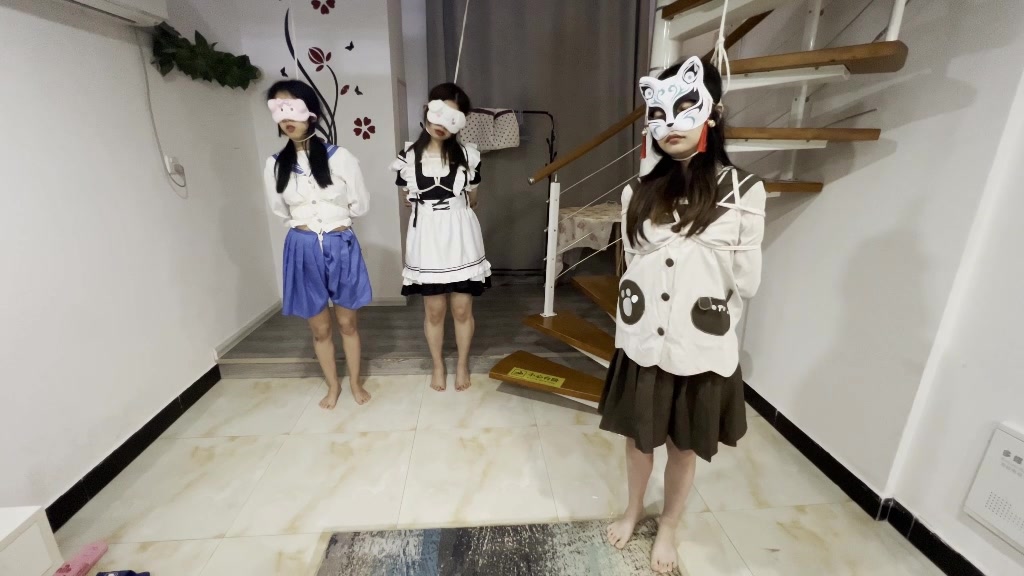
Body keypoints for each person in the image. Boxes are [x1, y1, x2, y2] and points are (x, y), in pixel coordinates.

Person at [599, 57, 767, 573]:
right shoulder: (637, 191)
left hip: (699, 347)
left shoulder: (744, 192)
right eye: (658, 112)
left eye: (685, 107)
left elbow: (748, 283)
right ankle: (633, 508)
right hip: (644, 345)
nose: (670, 123)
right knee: (638, 441)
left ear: (713, 112)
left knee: (683, 447)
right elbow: (632, 266)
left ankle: (668, 526)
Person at [264, 80, 373, 409]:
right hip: (302, 247)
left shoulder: (341, 158)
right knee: (320, 328)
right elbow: (279, 209)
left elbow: (360, 204)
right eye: (278, 108)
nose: (286, 116)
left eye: (292, 107)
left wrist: (335, 222)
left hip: (340, 243)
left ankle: (355, 381)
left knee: (347, 323)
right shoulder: (274, 164)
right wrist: (308, 228)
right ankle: (333, 385)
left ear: (310, 111)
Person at [390, 83, 490, 392]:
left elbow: (473, 200)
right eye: (439, 112)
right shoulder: (408, 157)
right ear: (427, 109)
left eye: (453, 117)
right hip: (427, 237)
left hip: (460, 235)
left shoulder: (469, 156)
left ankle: (461, 364)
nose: (443, 123)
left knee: (462, 309)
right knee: (434, 310)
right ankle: (437, 364)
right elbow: (407, 199)